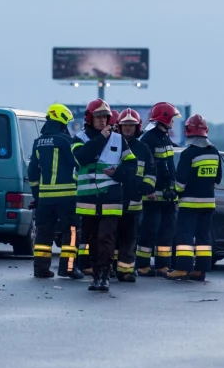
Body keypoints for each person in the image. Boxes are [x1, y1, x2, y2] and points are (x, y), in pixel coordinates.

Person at [74, 99, 136, 291]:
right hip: (88, 199)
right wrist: (101, 138)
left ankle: (104, 276)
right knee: (92, 238)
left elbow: (131, 164)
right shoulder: (79, 138)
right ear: (90, 118)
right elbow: (82, 157)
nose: (102, 121)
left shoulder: (118, 139)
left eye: (105, 117)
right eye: (98, 117)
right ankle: (95, 275)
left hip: (111, 198)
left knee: (106, 237)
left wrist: (117, 173)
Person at [27, 103, 85, 279]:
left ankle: (41, 269)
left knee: (43, 234)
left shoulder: (38, 142)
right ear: (61, 121)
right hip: (67, 196)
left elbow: (32, 172)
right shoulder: (66, 141)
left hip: (45, 198)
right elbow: (78, 165)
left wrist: (37, 196)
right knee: (72, 232)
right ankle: (67, 268)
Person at [166, 115, 220, 281]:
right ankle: (201, 270)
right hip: (209, 204)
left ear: (188, 132)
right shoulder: (214, 152)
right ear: (206, 131)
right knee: (204, 238)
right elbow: (217, 178)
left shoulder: (188, 153)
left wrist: (173, 192)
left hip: (189, 204)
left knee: (185, 236)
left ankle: (182, 269)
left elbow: (181, 181)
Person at [136, 102, 181, 277]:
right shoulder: (149, 139)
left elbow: (170, 163)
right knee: (149, 229)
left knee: (167, 231)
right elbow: (147, 166)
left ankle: (163, 265)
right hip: (153, 195)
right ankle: (142, 265)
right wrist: (149, 190)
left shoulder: (164, 137)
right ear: (164, 118)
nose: (173, 122)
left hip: (168, 195)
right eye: (172, 119)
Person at [114, 108, 155, 283]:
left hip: (134, 201)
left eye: (131, 125)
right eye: (125, 125)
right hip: (113, 200)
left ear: (137, 127)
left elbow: (151, 171)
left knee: (129, 238)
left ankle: (126, 271)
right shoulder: (112, 144)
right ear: (119, 127)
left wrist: (145, 186)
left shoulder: (143, 148)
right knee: (111, 237)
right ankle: (109, 268)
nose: (128, 129)